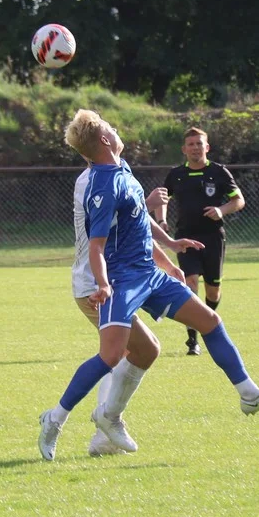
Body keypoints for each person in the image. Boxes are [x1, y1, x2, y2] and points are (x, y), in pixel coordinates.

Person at [38, 110, 259, 461]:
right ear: (103, 140)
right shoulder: (98, 184)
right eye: (111, 127)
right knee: (112, 355)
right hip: (118, 281)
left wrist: (170, 249)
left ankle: (248, 393)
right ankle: (56, 418)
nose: (116, 129)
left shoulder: (121, 168)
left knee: (206, 322)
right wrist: (103, 284)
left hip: (146, 272)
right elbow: (97, 246)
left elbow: (138, 220)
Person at [71, 167, 180, 457]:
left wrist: (167, 261)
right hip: (96, 284)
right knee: (121, 352)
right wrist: (147, 203)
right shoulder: (90, 180)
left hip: (118, 280)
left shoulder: (120, 170)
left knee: (128, 352)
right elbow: (106, 226)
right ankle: (94, 429)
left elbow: (135, 229)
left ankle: (102, 431)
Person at [158, 127, 244, 356]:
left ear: (207, 147)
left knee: (213, 291)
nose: (195, 147)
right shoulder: (176, 174)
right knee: (191, 283)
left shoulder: (219, 172)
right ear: (184, 149)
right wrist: (162, 219)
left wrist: (221, 209)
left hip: (213, 238)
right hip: (185, 237)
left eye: (199, 144)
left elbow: (238, 200)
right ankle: (192, 339)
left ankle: (208, 323)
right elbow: (162, 198)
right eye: (191, 144)